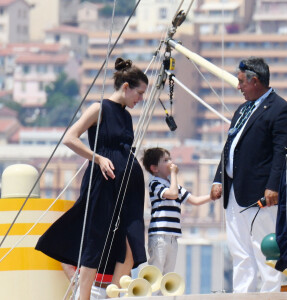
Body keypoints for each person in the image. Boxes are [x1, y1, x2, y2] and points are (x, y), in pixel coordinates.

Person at [35, 57, 148, 300]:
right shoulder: (99, 108)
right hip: (103, 182)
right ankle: (83, 296)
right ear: (126, 86)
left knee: (130, 243)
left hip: (127, 186)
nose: (141, 99)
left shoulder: (126, 116)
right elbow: (70, 138)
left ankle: (113, 295)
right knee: (94, 241)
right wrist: (97, 158)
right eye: (139, 92)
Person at [210, 57, 287, 293]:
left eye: (241, 82)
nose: (238, 87)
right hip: (234, 193)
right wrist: (219, 178)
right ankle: (242, 295)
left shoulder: (281, 109)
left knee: (265, 250)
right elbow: (230, 146)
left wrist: (273, 186)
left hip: (262, 194)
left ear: (255, 81)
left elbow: (282, 152)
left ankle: (270, 295)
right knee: (239, 251)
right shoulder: (242, 109)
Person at [142, 147, 211, 275]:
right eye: (165, 160)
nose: (170, 162)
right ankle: (153, 295)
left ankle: (164, 296)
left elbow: (194, 200)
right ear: (154, 168)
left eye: (170, 159)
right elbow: (172, 194)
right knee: (156, 272)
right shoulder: (155, 184)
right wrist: (174, 174)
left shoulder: (174, 186)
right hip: (159, 236)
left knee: (168, 273)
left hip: (173, 237)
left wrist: (212, 197)